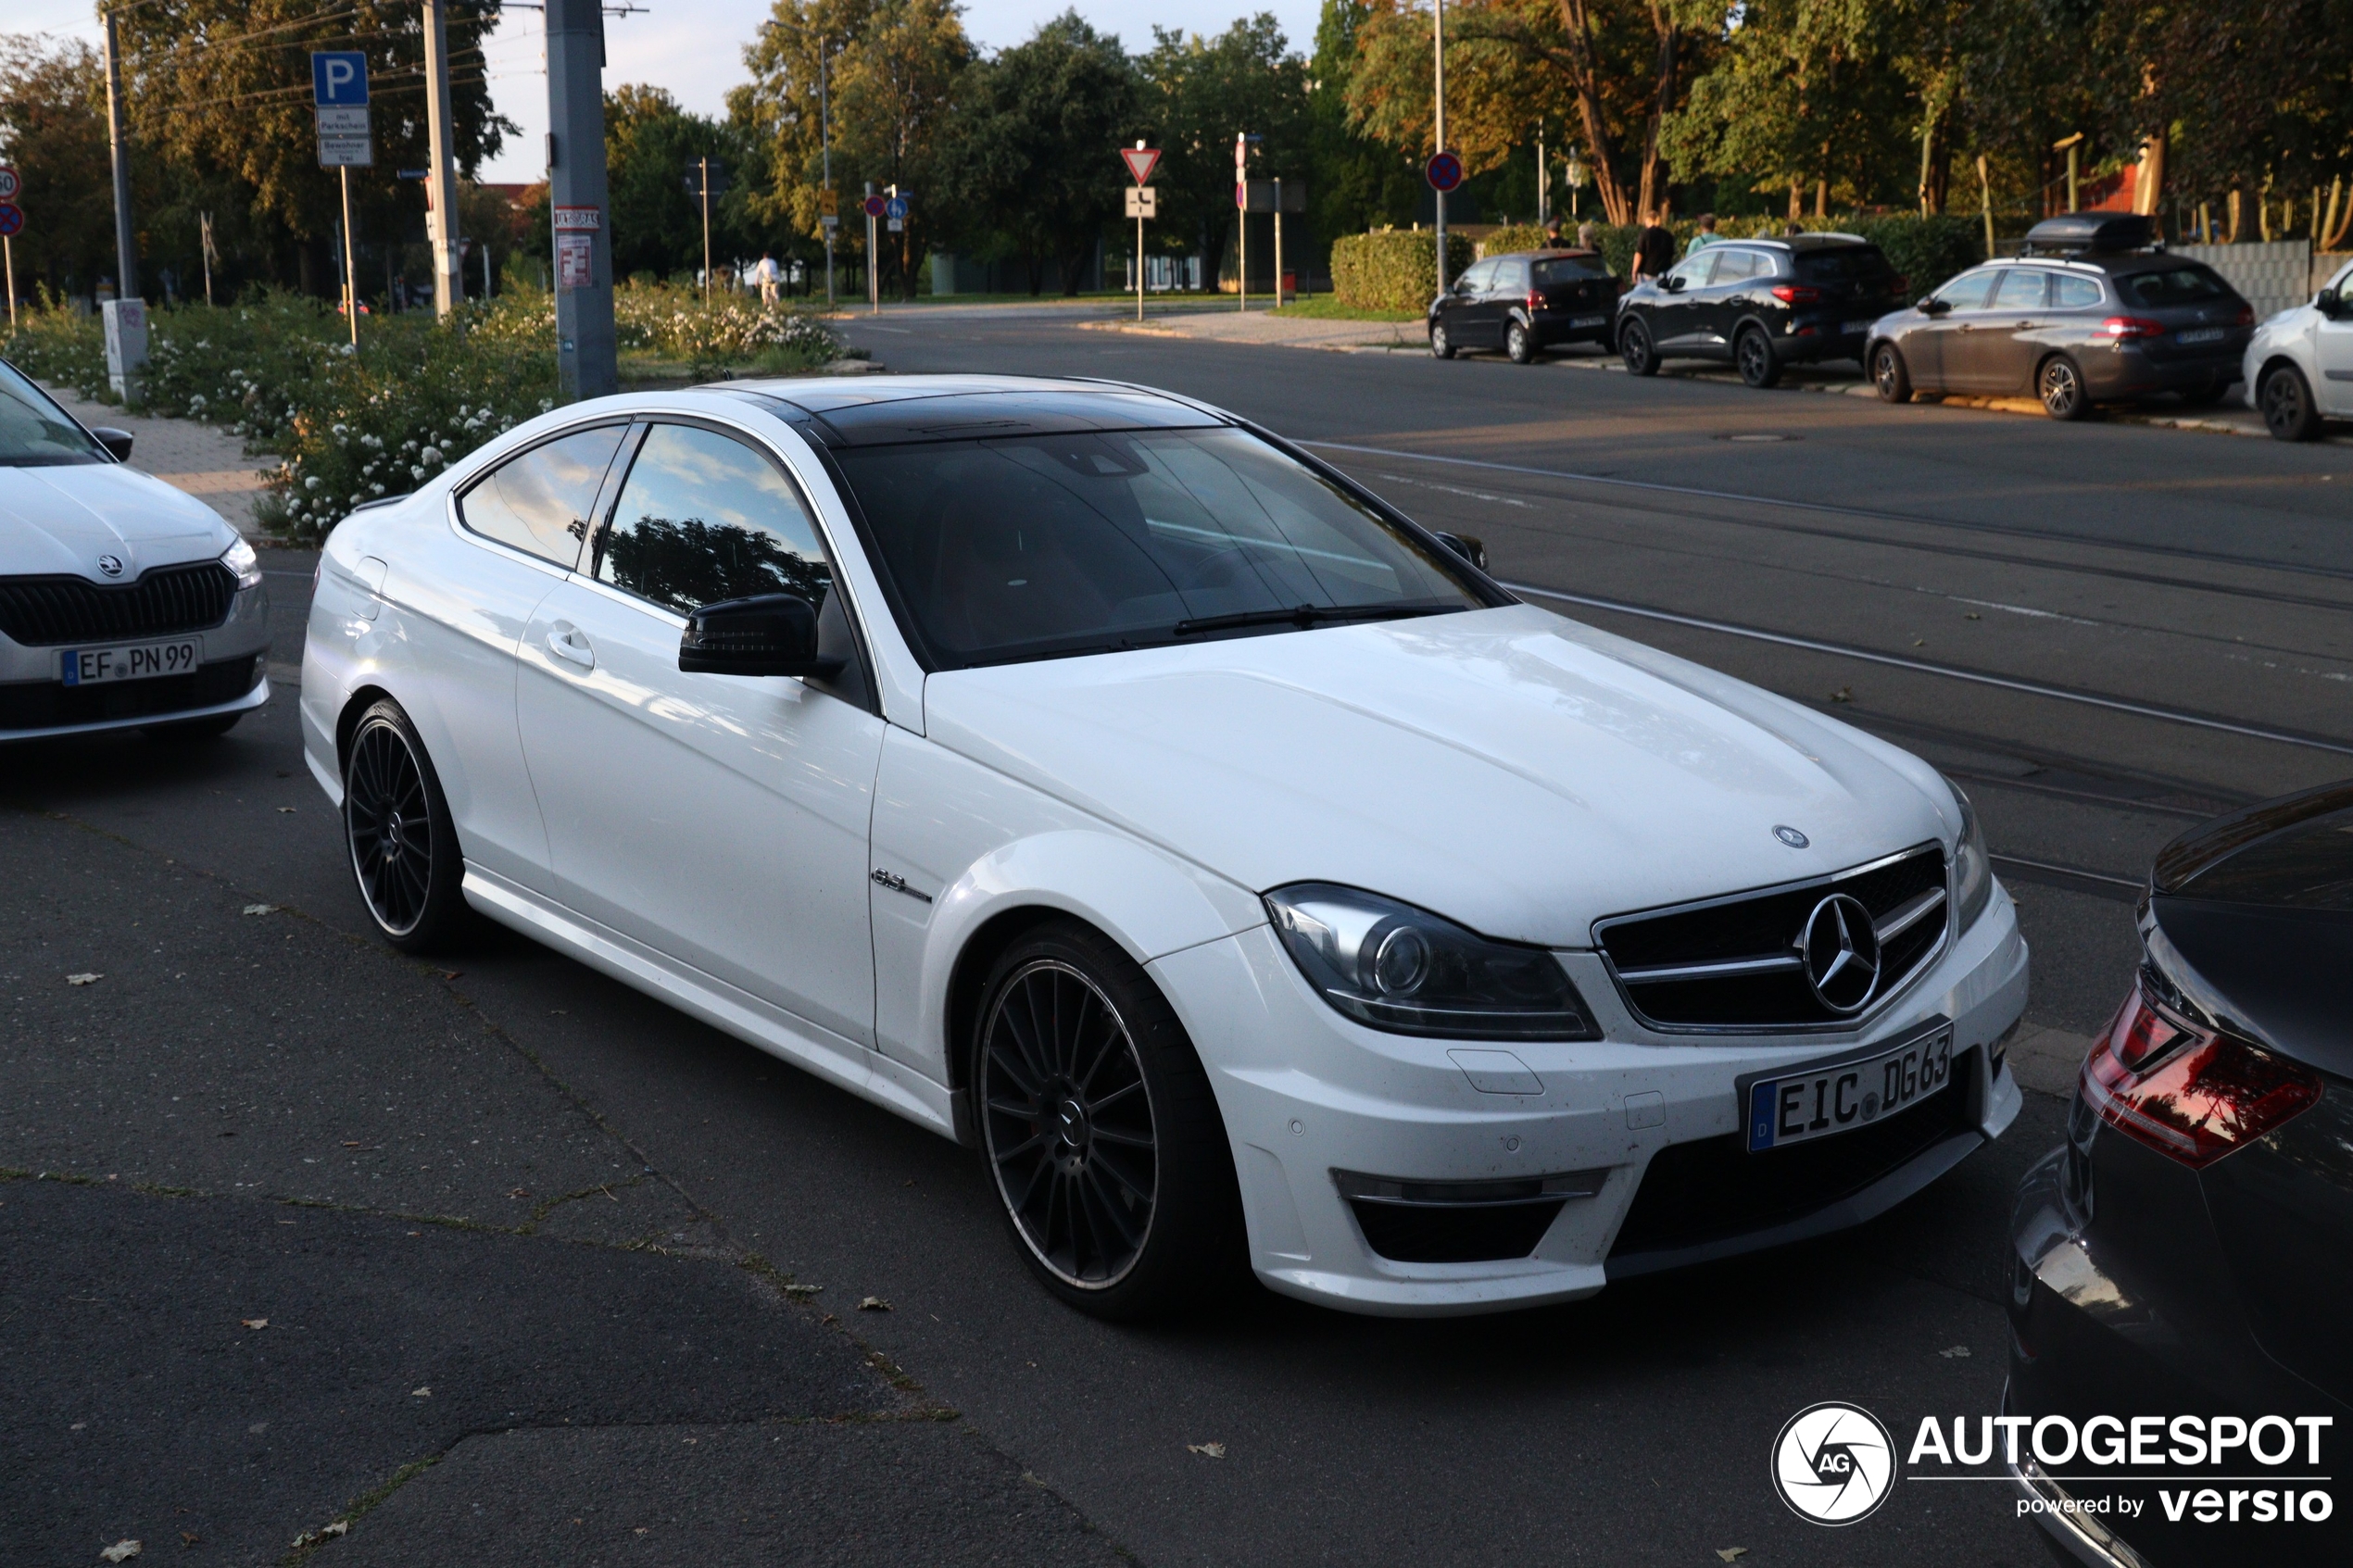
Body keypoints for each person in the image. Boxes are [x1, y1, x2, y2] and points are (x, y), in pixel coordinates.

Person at [1631, 208, 1676, 283]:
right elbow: (1671, 254)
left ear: (1648, 220)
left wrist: (1634, 271)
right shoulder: (1668, 235)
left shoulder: (1645, 234)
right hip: (1665, 273)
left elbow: (1639, 253)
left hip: (1648, 273)